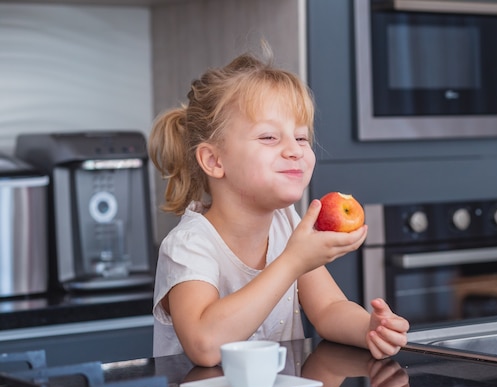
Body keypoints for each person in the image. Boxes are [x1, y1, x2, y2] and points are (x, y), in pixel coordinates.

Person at [148, 44, 409, 367]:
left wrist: (368, 329)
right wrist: (292, 261)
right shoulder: (189, 245)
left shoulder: (286, 222)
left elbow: (328, 310)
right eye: (269, 138)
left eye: (301, 138)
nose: (295, 150)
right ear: (214, 160)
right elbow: (205, 345)